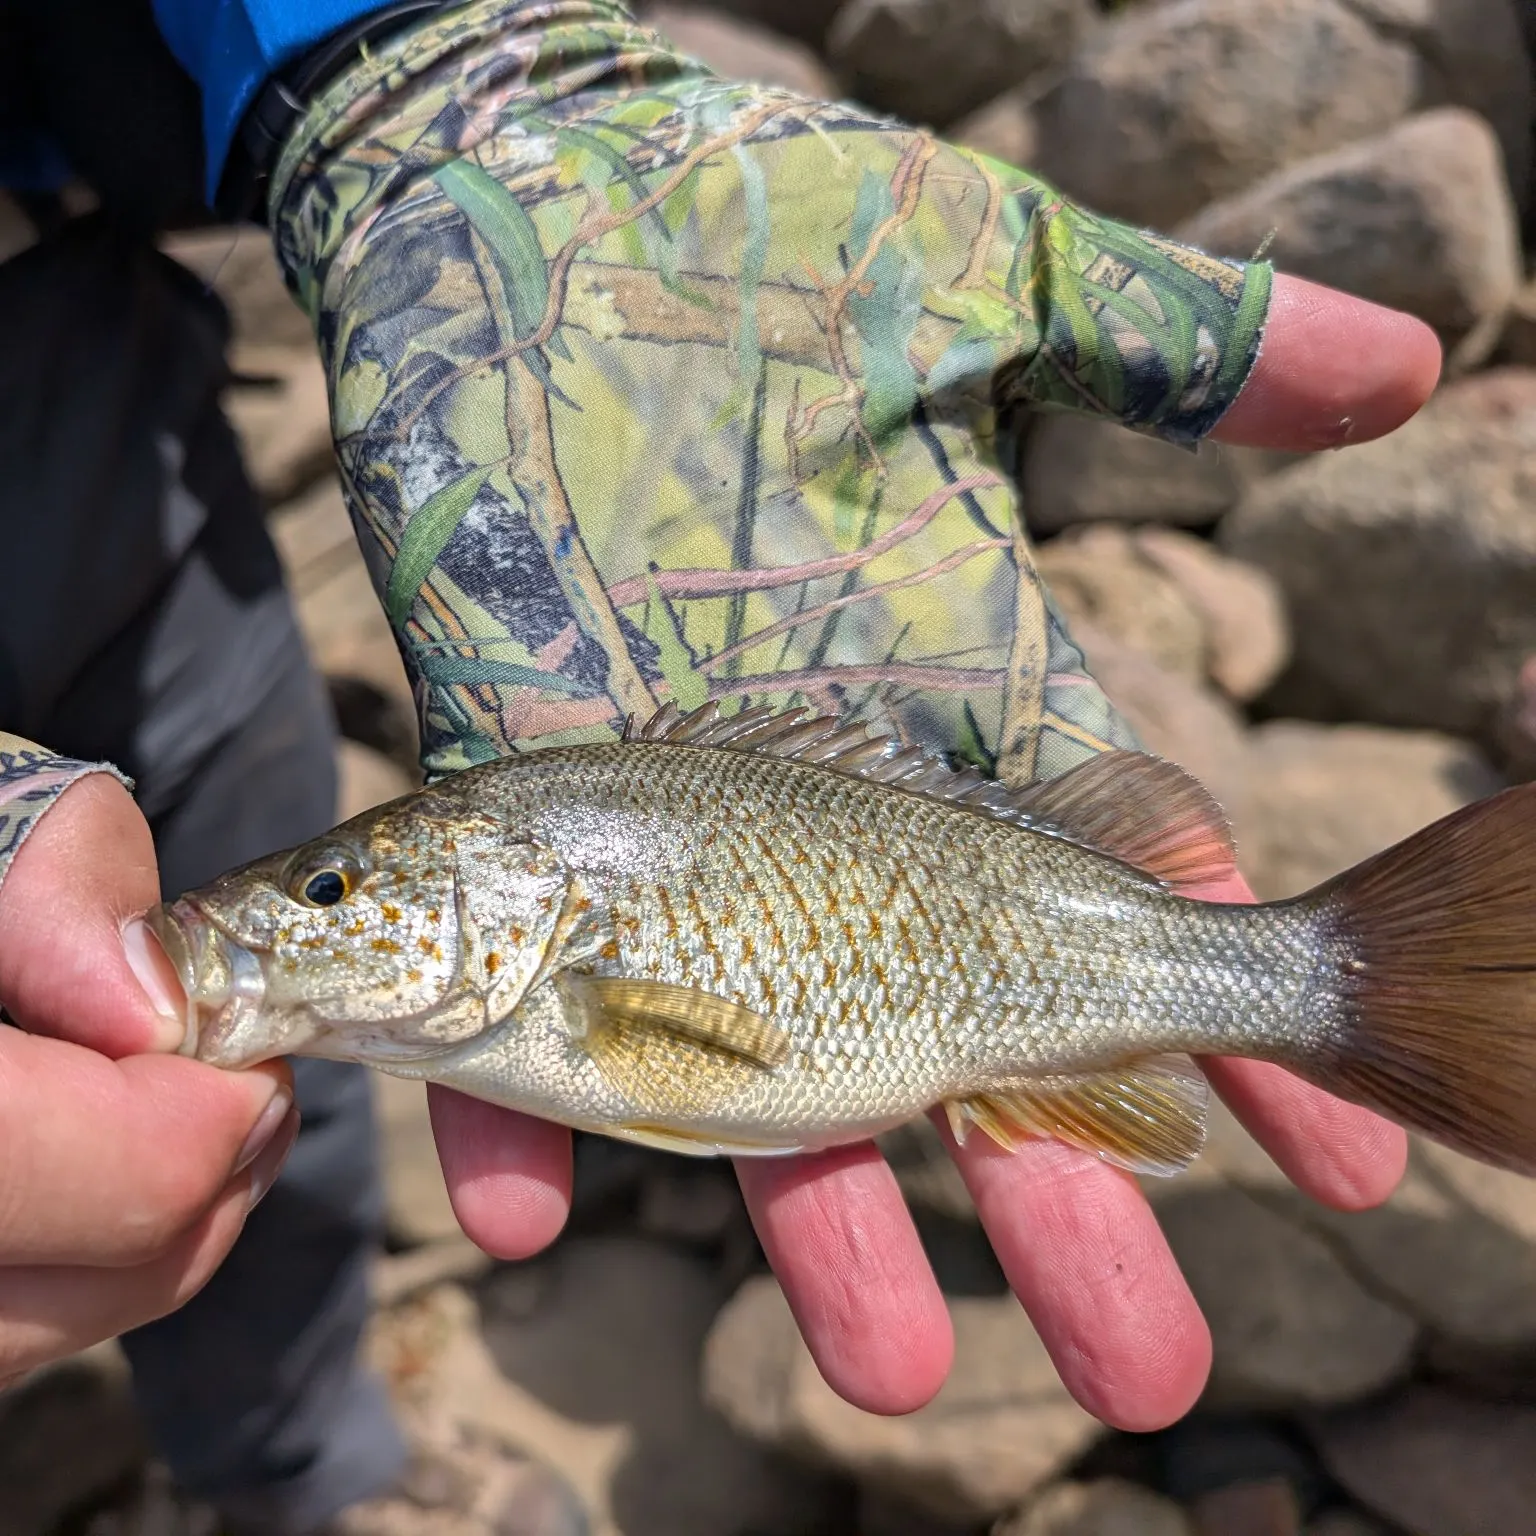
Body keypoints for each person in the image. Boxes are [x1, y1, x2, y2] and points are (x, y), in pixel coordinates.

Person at [0, 1, 1441, 1531]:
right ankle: (291, 1478)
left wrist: (410, 62)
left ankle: (305, 1463)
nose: (309, 897)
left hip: (81, 344)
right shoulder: (511, 981)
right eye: (335, 885)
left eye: (339, 883)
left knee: (272, 1139)